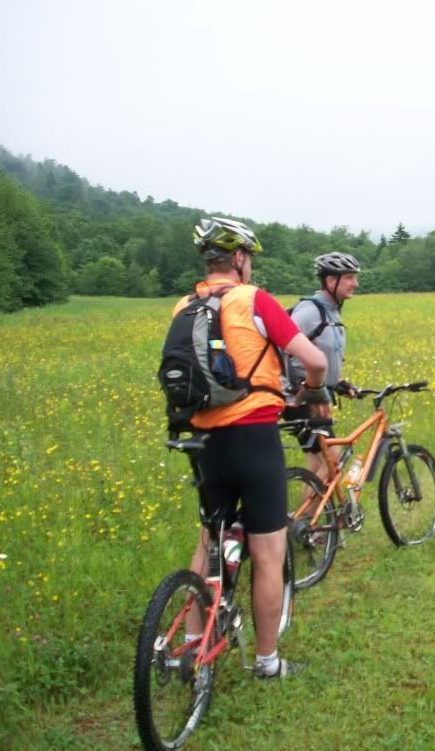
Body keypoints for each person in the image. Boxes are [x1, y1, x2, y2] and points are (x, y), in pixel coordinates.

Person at [178, 216, 328, 679]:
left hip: (203, 442)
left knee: (209, 541)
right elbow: (315, 360)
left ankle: (189, 645)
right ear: (239, 258)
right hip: (254, 438)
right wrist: (310, 391)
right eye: (250, 259)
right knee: (268, 552)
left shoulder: (185, 305)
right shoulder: (254, 299)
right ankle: (267, 661)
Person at [284, 252, 361, 482]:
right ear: (330, 280)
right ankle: (311, 510)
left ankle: (315, 506)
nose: (355, 283)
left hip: (313, 395)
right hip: (301, 399)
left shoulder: (331, 310)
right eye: (349, 277)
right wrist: (304, 386)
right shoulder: (310, 310)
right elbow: (282, 346)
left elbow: (320, 351)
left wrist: (337, 383)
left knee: (317, 465)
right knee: (332, 462)